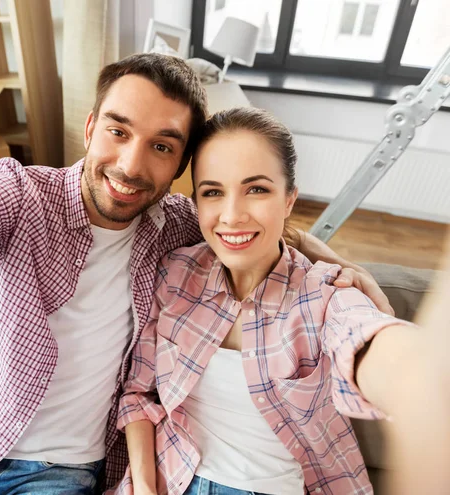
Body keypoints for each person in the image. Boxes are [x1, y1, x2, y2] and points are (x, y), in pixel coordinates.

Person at [0, 55, 389, 495]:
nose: (132, 166)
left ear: (179, 168)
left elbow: (258, 224)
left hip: (56, 476)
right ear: (90, 128)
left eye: (161, 146)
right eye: (118, 131)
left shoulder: (176, 226)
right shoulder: (18, 195)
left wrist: (336, 264)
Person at [115, 107, 417, 495]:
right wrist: (143, 487)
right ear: (195, 203)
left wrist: (419, 376)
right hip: (170, 478)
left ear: (289, 199)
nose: (232, 215)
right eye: (212, 192)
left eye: (256, 189)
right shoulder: (175, 273)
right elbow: (139, 394)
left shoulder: (324, 294)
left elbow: (366, 339)